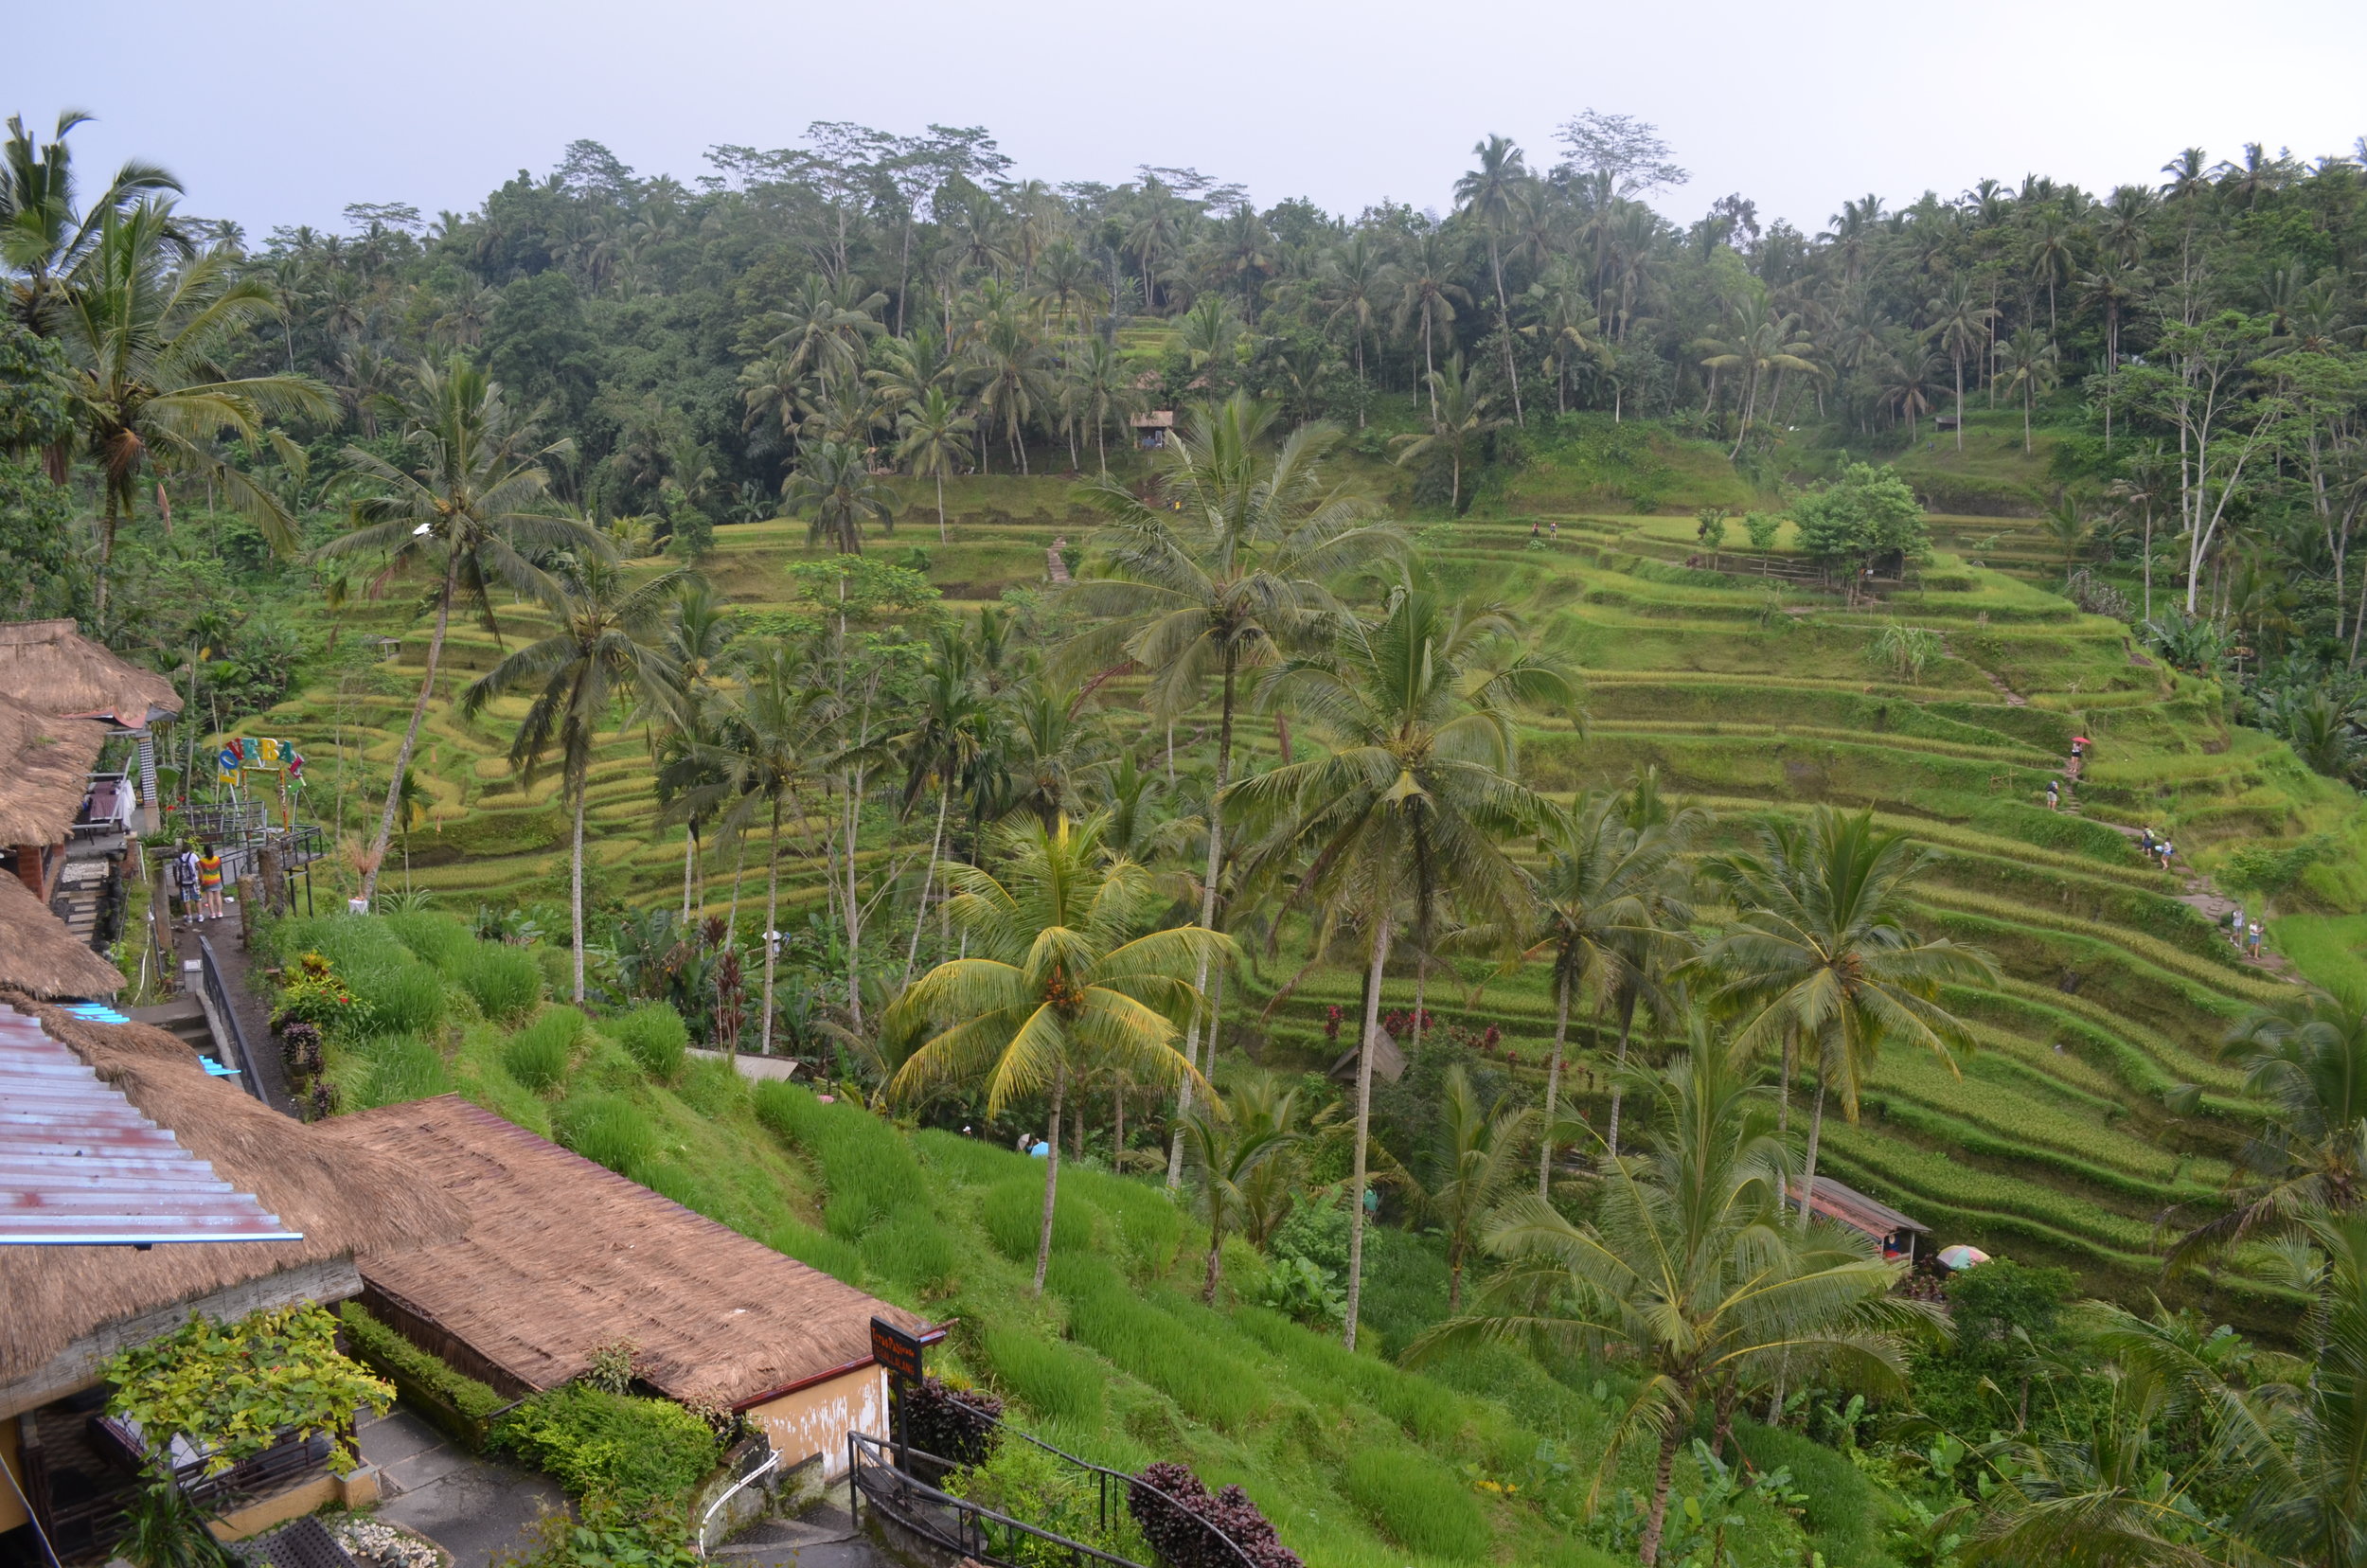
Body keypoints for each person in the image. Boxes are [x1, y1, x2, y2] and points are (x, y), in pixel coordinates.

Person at [197, 843, 225, 920]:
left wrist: (200, 879)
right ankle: (219, 912)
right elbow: (219, 868)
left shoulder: (202, 861)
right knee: (218, 896)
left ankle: (212, 914)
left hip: (207, 881)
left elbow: (200, 871)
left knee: (210, 898)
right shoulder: (217, 859)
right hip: (217, 879)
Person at [173, 843, 201, 926]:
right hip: (194, 881)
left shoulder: (176, 858)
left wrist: (176, 880)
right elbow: (199, 867)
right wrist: (201, 877)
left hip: (183, 882)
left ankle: (189, 917)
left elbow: (174, 871)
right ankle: (200, 916)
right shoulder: (193, 856)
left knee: (186, 900)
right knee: (197, 899)